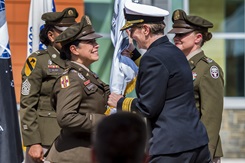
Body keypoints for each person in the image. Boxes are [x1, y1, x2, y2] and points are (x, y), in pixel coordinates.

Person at [107, 1, 211, 163]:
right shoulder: (174, 52)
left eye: (132, 30)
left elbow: (148, 107)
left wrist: (120, 102)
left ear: (146, 30)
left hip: (171, 148)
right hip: (196, 143)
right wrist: (135, 55)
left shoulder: (153, 57)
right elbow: (162, 76)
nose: (131, 35)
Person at [45, 15, 110, 163]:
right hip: (71, 156)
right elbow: (66, 117)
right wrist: (102, 121)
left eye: (95, 41)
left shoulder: (86, 75)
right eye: (90, 42)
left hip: (87, 152)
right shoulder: (72, 79)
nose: (97, 45)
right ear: (74, 49)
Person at [20, 7, 78, 163]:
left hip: (72, 139)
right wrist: (33, 142)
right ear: (51, 35)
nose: (71, 36)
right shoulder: (38, 61)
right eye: (66, 32)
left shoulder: (76, 59)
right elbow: (27, 104)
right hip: (45, 141)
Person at [168, 9, 224, 163]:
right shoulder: (178, 65)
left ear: (198, 38)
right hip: (179, 146)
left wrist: (206, 152)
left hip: (199, 149)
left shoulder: (208, 69)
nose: (176, 38)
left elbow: (211, 116)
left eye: (181, 34)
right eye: (175, 34)